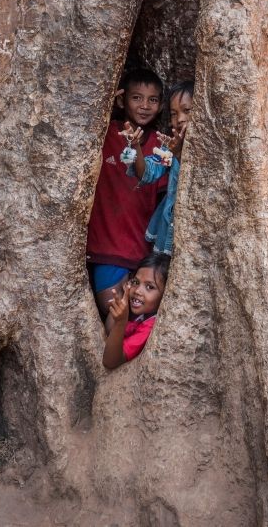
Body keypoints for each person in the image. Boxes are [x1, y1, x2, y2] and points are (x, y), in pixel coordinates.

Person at [86, 68, 168, 317]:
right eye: (136, 98)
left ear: (161, 105)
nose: (144, 105)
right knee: (114, 321)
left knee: (135, 325)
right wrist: (105, 99)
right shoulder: (106, 133)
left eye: (152, 100)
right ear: (122, 100)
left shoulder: (161, 145)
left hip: (144, 257)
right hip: (108, 251)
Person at [123, 80, 193, 257]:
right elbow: (146, 173)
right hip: (167, 233)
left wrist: (179, 154)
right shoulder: (169, 147)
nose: (180, 119)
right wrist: (136, 146)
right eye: (173, 114)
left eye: (187, 111)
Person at [102, 252, 170, 368]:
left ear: (166, 294)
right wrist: (124, 297)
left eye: (150, 287)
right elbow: (109, 330)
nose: (137, 290)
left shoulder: (150, 327)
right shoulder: (143, 313)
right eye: (136, 282)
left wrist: (120, 322)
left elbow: (110, 362)